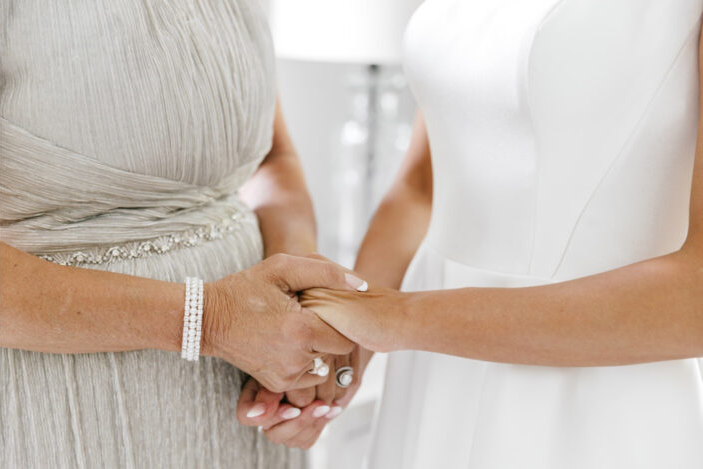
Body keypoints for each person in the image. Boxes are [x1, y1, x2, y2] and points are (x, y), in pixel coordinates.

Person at [297, 2, 703, 467]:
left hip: (594, 389)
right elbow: (425, 187)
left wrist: (398, 319)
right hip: (434, 373)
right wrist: (339, 350)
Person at [0, 1, 364, 467]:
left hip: (251, 389)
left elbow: (272, 161)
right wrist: (210, 321)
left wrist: (300, 304)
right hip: (72, 395)